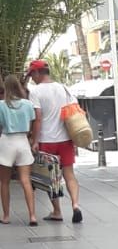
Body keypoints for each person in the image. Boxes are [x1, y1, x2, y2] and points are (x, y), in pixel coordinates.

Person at [27, 59, 83, 224]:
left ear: (38, 73)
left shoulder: (35, 92)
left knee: (51, 178)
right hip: (65, 139)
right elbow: (74, 109)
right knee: (69, 174)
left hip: (46, 140)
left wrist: (34, 140)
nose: (31, 78)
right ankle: (75, 205)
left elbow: (37, 119)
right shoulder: (62, 88)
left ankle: (57, 211)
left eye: (32, 74)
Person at [0, 75, 39, 226]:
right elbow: (31, 122)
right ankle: (33, 216)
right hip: (22, 141)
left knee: (4, 182)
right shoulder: (28, 104)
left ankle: (6, 215)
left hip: (6, 141)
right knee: (26, 180)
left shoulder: (1, 105)